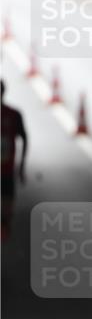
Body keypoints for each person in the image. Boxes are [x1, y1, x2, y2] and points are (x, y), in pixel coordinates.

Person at [1, 80, 28, 242]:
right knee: (7, 202)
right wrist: (22, 165)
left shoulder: (13, 115)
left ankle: (4, 227)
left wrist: (22, 165)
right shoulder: (13, 114)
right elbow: (24, 138)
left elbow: (24, 137)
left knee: (7, 204)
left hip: (7, 169)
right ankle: (4, 227)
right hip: (7, 169)